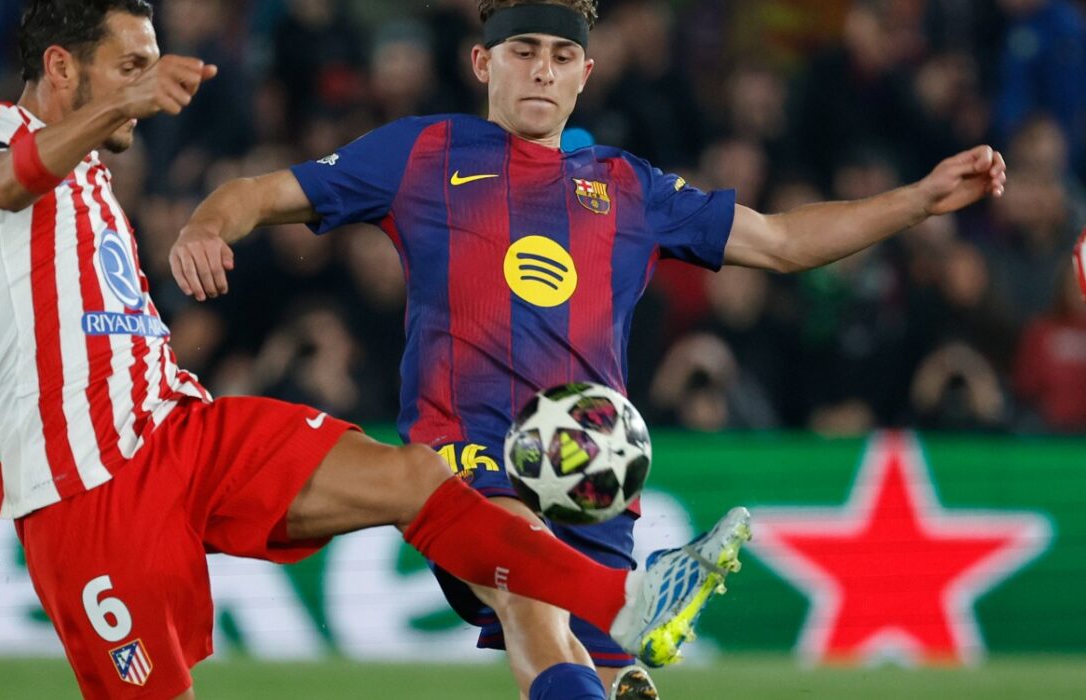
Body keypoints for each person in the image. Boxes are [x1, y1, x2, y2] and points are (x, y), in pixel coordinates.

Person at [0, 2, 747, 698]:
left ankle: (624, 601)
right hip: (86, 492)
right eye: (132, 67)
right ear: (64, 67)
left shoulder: (91, 177)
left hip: (181, 431)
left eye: (152, 67)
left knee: (416, 477)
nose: (151, 87)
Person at [171, 1, 1007, 698]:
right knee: (532, 608)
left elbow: (783, 242)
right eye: (524, 51)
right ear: (482, 62)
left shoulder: (631, 187)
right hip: (468, 462)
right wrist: (208, 224)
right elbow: (260, 192)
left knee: (594, 674)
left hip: (594, 475)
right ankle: (639, 600)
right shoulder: (421, 153)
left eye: (562, 55)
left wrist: (919, 199)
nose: (542, 70)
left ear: (585, 74)